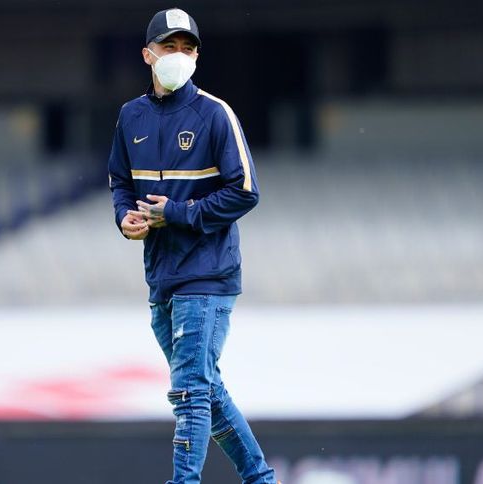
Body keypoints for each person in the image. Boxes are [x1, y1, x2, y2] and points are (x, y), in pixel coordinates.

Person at [107, 8, 279, 484]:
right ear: (148, 55)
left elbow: (245, 190)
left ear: (198, 56)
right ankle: (262, 479)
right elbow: (120, 181)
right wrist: (124, 218)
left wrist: (177, 214)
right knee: (205, 390)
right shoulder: (131, 116)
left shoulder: (215, 113)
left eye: (188, 48)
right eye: (170, 46)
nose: (179, 55)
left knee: (188, 393)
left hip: (207, 272)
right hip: (162, 273)